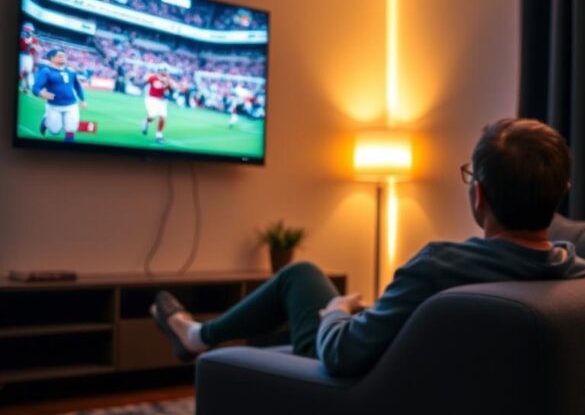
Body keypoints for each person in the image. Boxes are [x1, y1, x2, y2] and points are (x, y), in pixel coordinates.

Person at [151, 118, 585, 376]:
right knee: (305, 277)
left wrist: (337, 312)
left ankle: (196, 337)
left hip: (364, 392)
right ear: (560, 193)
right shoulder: (573, 276)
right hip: (442, 398)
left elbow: (341, 354)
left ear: (479, 196)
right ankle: (196, 335)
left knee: (300, 276)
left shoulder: (439, 266)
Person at [33, 48, 87, 141]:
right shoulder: (46, 71)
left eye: (64, 56)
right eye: (60, 56)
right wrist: (41, 93)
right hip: (54, 105)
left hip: (71, 105)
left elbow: (77, 86)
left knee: (71, 129)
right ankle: (46, 121)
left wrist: (82, 99)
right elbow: (35, 87)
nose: (63, 57)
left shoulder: (71, 71)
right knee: (55, 131)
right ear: (51, 58)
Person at [142, 66, 176, 143]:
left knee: (163, 116)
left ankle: (159, 135)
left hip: (161, 100)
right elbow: (144, 81)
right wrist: (146, 77)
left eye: (166, 71)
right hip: (151, 99)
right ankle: (146, 121)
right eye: (163, 71)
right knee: (152, 115)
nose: (165, 73)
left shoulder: (168, 80)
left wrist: (170, 85)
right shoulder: (153, 77)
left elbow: (171, 91)